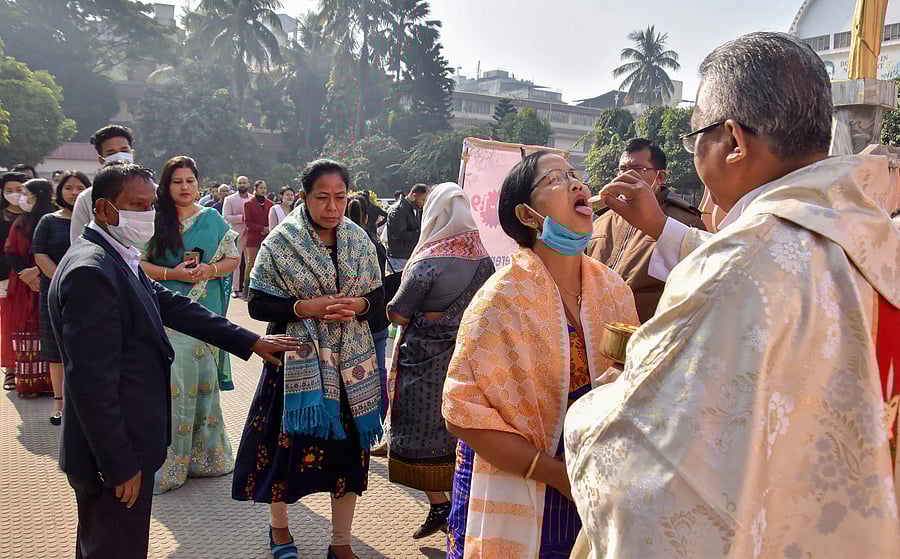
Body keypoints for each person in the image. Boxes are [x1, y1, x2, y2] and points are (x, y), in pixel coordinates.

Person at [565, 32, 900, 557]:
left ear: (734, 141)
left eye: (695, 135)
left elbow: (649, 474)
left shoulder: (735, 269)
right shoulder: (873, 237)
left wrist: (604, 402)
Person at [49, 162, 298, 559]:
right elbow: (91, 382)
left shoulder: (115, 255)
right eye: (135, 205)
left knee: (107, 544)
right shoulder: (90, 271)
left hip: (124, 445)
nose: (147, 215)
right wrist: (118, 464)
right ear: (102, 209)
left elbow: (171, 304)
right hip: (113, 453)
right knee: (115, 548)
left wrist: (250, 342)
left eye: (150, 205)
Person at [442, 151, 638, 557]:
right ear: (528, 216)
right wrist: (556, 474)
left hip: (593, 483)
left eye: (574, 175)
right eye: (555, 179)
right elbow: (462, 413)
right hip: (525, 481)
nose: (576, 184)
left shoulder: (613, 288)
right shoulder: (501, 299)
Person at [232, 159, 384, 559]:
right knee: (285, 451)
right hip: (295, 364)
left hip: (349, 368)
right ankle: (279, 530)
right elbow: (258, 302)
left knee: (349, 457)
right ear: (304, 197)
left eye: (339, 197)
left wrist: (361, 304)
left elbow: (381, 301)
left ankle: (341, 542)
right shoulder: (281, 242)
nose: (332, 206)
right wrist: (305, 307)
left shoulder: (360, 240)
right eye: (323, 197)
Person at [385, 182, 494, 539]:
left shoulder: (428, 261)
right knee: (459, 434)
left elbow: (399, 313)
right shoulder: (484, 260)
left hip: (424, 363)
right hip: (466, 360)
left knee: (419, 435)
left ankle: (440, 504)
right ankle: (461, 507)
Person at [137, 156, 242, 494]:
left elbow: (232, 258)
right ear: (166, 187)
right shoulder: (154, 220)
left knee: (204, 380)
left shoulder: (212, 219)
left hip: (206, 312)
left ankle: (207, 457)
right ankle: (171, 459)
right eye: (177, 181)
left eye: (190, 180)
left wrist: (208, 271)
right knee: (174, 380)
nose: (184, 187)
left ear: (199, 183)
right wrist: (174, 274)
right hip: (164, 311)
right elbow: (137, 264)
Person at [587, 138, 705, 323]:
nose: (626, 177)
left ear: (660, 177)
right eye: (622, 169)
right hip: (595, 326)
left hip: (645, 333)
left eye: (637, 170)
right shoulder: (603, 220)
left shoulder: (684, 224)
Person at [33, 171, 88, 424]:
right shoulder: (48, 221)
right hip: (54, 291)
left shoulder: (94, 220)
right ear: (60, 191)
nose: (74, 193)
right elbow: (40, 254)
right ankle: (60, 404)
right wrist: (62, 279)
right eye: (69, 188)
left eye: (80, 188)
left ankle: (84, 402)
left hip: (90, 292)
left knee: (87, 347)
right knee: (56, 349)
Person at [5, 178, 55, 397]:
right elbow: (10, 251)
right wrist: (26, 275)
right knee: (26, 332)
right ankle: (29, 384)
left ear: (39, 195)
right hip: (23, 284)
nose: (21, 198)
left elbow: (60, 249)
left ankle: (51, 384)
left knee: (48, 331)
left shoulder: (54, 220)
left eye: (26, 193)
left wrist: (38, 270)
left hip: (49, 280)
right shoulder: (21, 222)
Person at [345, 194, 391, 423]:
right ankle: (379, 419)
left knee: (351, 372)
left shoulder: (342, 246)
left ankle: (356, 419)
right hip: (377, 316)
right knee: (379, 371)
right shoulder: (375, 244)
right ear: (365, 217)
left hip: (350, 319)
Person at [70, 124, 136, 244]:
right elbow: (78, 241)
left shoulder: (154, 193)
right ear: (101, 160)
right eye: (111, 153)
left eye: (124, 151)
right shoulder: (86, 198)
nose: (119, 156)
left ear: (132, 154)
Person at [0, 172, 27, 391]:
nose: (15, 195)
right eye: (9, 190)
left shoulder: (39, 216)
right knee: (9, 324)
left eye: (20, 190)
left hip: (32, 277)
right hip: (4, 277)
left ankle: (33, 370)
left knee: (30, 325)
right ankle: (10, 371)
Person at [385, 184, 427, 273]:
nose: (423, 203)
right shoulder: (398, 210)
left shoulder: (414, 208)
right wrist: (421, 232)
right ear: (414, 195)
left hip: (408, 256)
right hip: (398, 258)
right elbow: (398, 235)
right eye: (423, 200)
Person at [223, 175, 250, 299]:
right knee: (236, 262)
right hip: (236, 233)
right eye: (240, 183)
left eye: (244, 183)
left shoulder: (253, 198)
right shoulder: (229, 199)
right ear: (236, 184)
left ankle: (247, 288)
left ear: (248, 184)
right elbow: (226, 217)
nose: (242, 185)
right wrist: (242, 218)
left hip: (250, 234)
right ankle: (235, 288)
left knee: (250, 262)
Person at [243, 180, 273, 281]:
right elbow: (248, 222)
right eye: (261, 188)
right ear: (255, 189)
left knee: (265, 264)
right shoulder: (248, 204)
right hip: (253, 238)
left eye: (265, 188)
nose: (263, 190)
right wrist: (261, 228)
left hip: (267, 237)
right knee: (251, 263)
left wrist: (268, 229)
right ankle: (246, 288)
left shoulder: (270, 204)